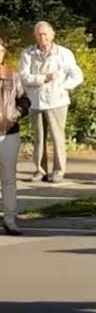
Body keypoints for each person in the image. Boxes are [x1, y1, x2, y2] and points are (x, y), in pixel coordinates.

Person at [19, 21, 84, 184]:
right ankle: (40, 170)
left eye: (45, 34)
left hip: (57, 102)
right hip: (35, 102)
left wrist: (63, 87)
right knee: (38, 138)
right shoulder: (28, 54)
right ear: (35, 36)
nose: (43, 37)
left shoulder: (64, 53)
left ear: (53, 34)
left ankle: (58, 171)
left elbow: (77, 75)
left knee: (57, 137)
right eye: (39, 34)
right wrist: (43, 78)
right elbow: (24, 77)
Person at [0, 38, 31, 235]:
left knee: (9, 178)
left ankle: (10, 218)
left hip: (9, 132)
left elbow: (25, 100)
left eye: (0, 50)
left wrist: (16, 113)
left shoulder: (12, 76)